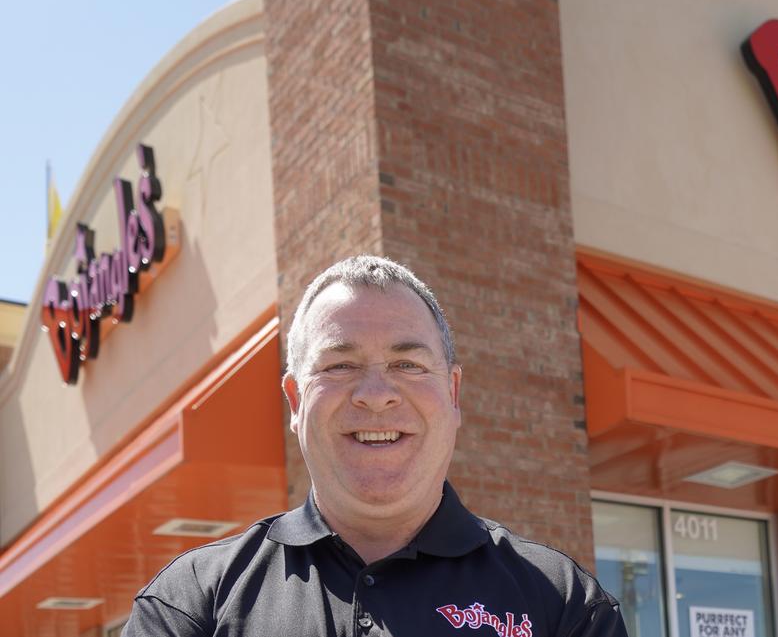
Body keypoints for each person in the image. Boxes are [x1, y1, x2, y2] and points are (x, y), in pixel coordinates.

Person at [122, 255, 627, 637]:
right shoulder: (191, 603)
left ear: (453, 394)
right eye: (340, 365)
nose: (376, 394)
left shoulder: (566, 606)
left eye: (408, 364)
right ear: (295, 400)